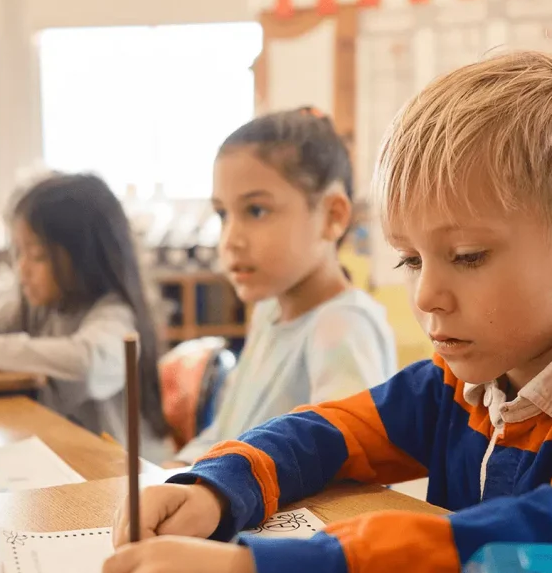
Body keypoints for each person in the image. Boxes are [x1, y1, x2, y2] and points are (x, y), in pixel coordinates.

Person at [102, 51, 552, 573]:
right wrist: (218, 487)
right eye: (410, 259)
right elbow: (328, 431)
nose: (427, 295)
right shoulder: (463, 383)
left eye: (467, 256)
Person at [169, 107, 397, 466]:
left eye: (256, 211)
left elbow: (343, 469)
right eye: (222, 214)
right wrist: (181, 469)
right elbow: (227, 433)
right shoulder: (268, 311)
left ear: (332, 216)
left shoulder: (342, 327)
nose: (230, 240)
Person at [0, 172, 174, 465]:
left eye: (38, 256)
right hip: (66, 461)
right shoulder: (40, 306)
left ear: (84, 258)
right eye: (19, 254)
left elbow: (87, 363)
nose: (22, 269)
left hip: (125, 476)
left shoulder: (115, 315)